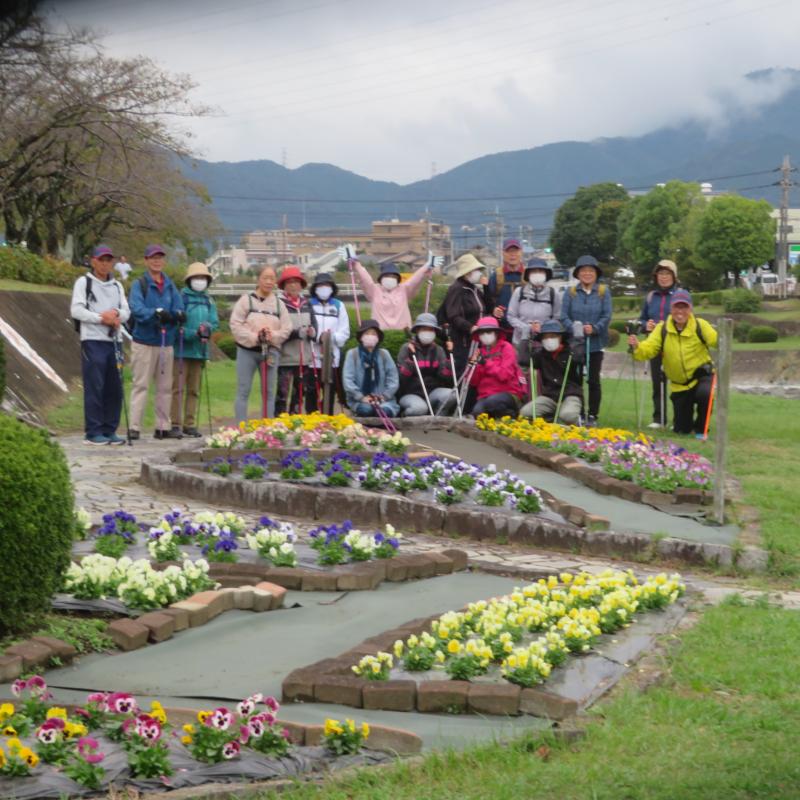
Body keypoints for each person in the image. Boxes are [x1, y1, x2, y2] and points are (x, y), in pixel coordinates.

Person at [628, 289, 717, 436]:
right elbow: (648, 349)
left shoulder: (701, 325)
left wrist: (725, 335)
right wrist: (637, 346)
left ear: (690, 309)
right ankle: (686, 425)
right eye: (677, 307)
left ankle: (701, 429)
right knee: (682, 430)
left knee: (705, 394)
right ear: (671, 309)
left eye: (684, 307)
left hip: (702, 376)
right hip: (679, 386)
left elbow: (717, 340)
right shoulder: (661, 329)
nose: (680, 311)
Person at [70, 244, 131, 445]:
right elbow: (77, 311)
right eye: (101, 260)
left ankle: (110, 429)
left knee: (115, 387)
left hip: (114, 340)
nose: (105, 264)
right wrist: (100, 318)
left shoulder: (117, 285)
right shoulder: (83, 282)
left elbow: (126, 311)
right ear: (93, 261)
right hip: (92, 340)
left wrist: (115, 315)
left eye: (108, 260)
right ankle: (93, 431)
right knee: (95, 385)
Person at [128, 244, 185, 439]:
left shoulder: (170, 285)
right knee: (141, 385)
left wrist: (177, 315)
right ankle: (134, 426)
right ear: (146, 260)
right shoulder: (140, 284)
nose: (157, 260)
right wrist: (156, 314)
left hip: (165, 342)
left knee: (164, 387)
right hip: (143, 342)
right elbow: (137, 309)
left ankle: (162, 426)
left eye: (160, 257)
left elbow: (178, 307)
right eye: (153, 257)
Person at [230, 265, 292, 422]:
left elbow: (287, 328)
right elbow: (235, 325)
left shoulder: (279, 304)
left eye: (272, 278)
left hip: (270, 352)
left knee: (269, 392)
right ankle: (240, 429)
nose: (269, 282)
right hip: (247, 351)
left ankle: (267, 428)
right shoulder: (246, 301)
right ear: (258, 279)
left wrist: (273, 335)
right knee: (243, 390)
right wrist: (254, 337)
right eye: (265, 278)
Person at [560, 254, 611, 426]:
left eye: (591, 271)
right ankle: (579, 413)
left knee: (593, 380)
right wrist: (576, 328)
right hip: (576, 344)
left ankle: (593, 415)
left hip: (596, 345)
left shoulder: (604, 292)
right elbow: (564, 316)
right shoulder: (571, 292)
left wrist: (595, 328)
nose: (587, 274)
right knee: (576, 380)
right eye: (583, 271)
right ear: (578, 274)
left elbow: (607, 315)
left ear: (596, 273)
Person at [170, 262, 219, 437]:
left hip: (200, 351)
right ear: (190, 280)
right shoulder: (181, 298)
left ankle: (189, 424)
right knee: (178, 389)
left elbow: (214, 322)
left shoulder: (208, 300)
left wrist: (207, 328)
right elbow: (176, 323)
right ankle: (175, 423)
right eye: (197, 277)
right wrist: (193, 333)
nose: (200, 281)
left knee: (194, 390)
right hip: (181, 350)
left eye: (203, 278)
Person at [638, 259, 679, 429]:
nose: (663, 277)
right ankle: (659, 418)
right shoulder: (650, 297)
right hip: (654, 345)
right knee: (657, 383)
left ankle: (679, 420)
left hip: (676, 345)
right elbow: (642, 319)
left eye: (667, 274)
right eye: (661, 274)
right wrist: (645, 325)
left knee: (678, 384)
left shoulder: (679, 295)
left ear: (674, 276)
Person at [519, 320, 583, 425]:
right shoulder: (541, 355)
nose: (549, 339)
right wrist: (525, 338)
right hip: (550, 396)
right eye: (545, 337)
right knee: (525, 412)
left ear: (561, 337)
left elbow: (579, 357)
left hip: (570, 395)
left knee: (567, 415)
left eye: (553, 336)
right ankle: (549, 419)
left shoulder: (570, 352)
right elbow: (523, 360)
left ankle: (577, 422)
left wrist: (579, 337)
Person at [440, 253, 494, 376]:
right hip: (463, 343)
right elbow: (453, 315)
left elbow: (489, 309)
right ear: (467, 272)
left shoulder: (474, 289)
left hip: (478, 341)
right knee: (465, 374)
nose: (479, 273)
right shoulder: (457, 289)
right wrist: (470, 327)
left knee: (477, 375)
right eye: (476, 270)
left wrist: (486, 288)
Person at [276, 265, 317, 414]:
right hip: (285, 358)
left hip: (304, 359)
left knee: (299, 395)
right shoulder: (279, 304)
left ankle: (296, 423)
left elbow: (315, 326)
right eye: (289, 282)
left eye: (296, 282)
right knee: (282, 395)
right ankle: (278, 424)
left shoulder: (307, 304)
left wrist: (313, 332)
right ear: (284, 285)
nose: (293, 285)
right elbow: (277, 331)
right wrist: (295, 333)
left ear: (301, 285)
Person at [467, 317, 526, 419]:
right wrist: (473, 366)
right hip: (486, 395)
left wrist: (486, 363)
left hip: (509, 393)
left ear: (496, 333)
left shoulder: (506, 348)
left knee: (492, 403)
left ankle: (513, 417)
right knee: (478, 413)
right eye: (482, 333)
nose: (485, 335)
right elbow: (473, 382)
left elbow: (505, 375)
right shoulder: (479, 352)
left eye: (489, 331)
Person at [396, 312, 454, 416]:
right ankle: (404, 417)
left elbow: (445, 377)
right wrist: (410, 359)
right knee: (419, 409)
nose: (427, 332)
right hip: (411, 394)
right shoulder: (406, 348)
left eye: (431, 329)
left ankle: (439, 418)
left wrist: (449, 359)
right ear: (417, 330)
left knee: (452, 394)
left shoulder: (439, 350)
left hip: (432, 392)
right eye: (424, 329)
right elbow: (401, 378)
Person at [308, 272, 350, 412]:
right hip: (312, 358)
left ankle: (327, 422)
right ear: (315, 288)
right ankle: (311, 424)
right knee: (312, 393)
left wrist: (329, 338)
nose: (324, 288)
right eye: (320, 285)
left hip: (332, 358)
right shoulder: (308, 305)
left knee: (329, 393)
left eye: (327, 285)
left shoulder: (339, 305)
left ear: (332, 288)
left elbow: (344, 333)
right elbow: (307, 328)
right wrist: (318, 337)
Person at [351, 258, 430, 331]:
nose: (390, 278)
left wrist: (427, 266)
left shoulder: (404, 289)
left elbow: (415, 279)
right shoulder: (374, 290)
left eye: (393, 276)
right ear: (381, 278)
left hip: (402, 332)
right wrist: (356, 264)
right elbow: (366, 279)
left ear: (397, 279)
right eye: (387, 276)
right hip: (380, 333)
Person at [342, 319, 400, 418]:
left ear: (378, 337)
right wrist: (361, 397)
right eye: (367, 333)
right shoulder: (352, 354)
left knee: (383, 412)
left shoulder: (384, 354)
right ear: (361, 337)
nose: (370, 336)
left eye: (374, 334)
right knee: (366, 410)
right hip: (360, 400)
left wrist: (384, 396)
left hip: (383, 400)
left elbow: (393, 378)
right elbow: (348, 380)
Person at [506, 257, 561, 348]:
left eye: (540, 271)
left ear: (546, 274)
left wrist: (544, 328)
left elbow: (557, 318)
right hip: (520, 342)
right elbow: (511, 316)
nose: (537, 274)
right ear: (528, 274)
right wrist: (526, 328)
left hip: (544, 343)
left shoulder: (553, 293)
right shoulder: (519, 292)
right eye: (534, 271)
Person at [488, 238, 525, 337]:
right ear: (503, 253)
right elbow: (488, 300)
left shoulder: (527, 275)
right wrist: (493, 309)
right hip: (502, 329)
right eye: (509, 251)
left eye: (515, 251)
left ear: (521, 252)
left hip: (524, 328)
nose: (512, 254)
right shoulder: (496, 275)